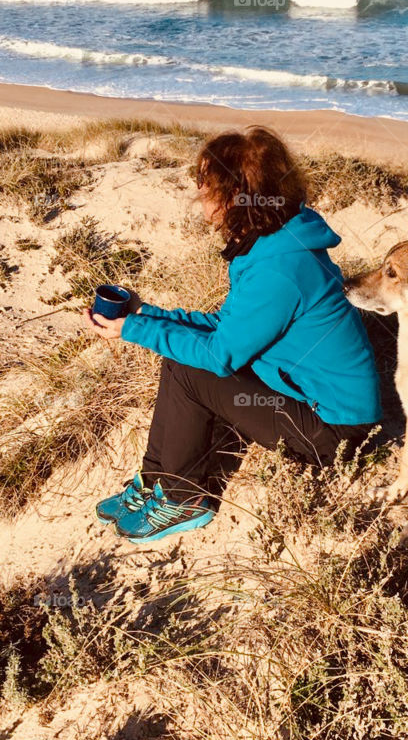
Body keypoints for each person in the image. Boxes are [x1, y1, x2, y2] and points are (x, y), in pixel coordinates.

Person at [80, 125, 382, 543]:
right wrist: (145, 314)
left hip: (334, 433)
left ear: (235, 196)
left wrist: (132, 329)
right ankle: (156, 482)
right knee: (181, 358)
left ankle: (186, 499)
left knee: (192, 368)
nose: (198, 191)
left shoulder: (281, 268)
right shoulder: (272, 244)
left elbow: (219, 355)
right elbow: (226, 328)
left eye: (207, 183)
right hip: (303, 399)